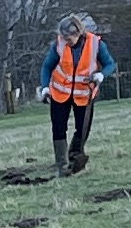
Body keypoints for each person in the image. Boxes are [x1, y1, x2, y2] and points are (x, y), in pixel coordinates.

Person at [42, 14, 108, 175]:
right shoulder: (58, 44)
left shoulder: (96, 44)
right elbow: (46, 66)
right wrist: (45, 87)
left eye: (69, 38)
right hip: (59, 93)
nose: (66, 41)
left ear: (78, 32)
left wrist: (102, 74)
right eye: (63, 37)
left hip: (84, 94)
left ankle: (75, 156)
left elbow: (109, 63)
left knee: (83, 129)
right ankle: (62, 166)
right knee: (58, 128)